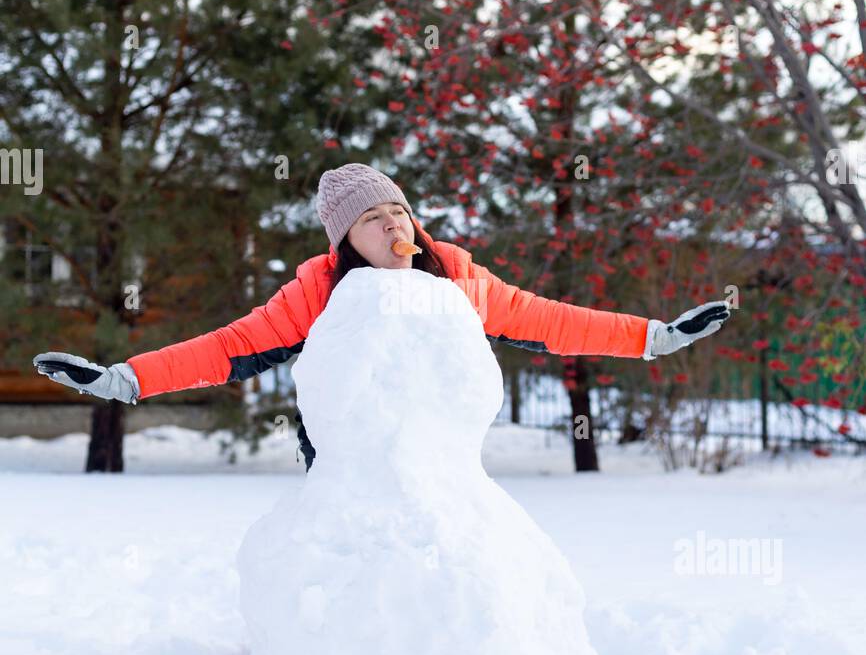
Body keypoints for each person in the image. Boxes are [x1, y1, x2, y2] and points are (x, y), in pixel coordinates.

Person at [34, 162, 731, 466]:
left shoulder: (453, 273)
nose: (393, 223)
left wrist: (655, 337)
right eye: (372, 217)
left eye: (398, 209)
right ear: (346, 239)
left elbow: (548, 319)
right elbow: (229, 346)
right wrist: (125, 379)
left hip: (433, 453)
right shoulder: (319, 289)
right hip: (344, 460)